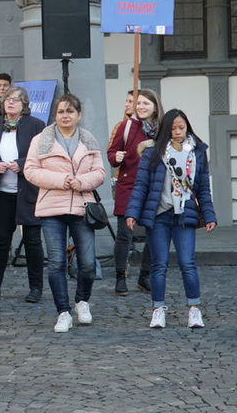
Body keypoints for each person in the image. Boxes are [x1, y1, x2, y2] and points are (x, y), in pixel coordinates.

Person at [125, 109, 217, 329]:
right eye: (173, 128)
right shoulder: (153, 153)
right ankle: (158, 309)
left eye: (181, 127)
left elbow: (203, 188)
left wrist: (209, 214)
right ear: (166, 129)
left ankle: (194, 309)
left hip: (185, 214)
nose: (177, 132)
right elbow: (141, 186)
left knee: (188, 263)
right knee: (159, 265)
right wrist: (132, 212)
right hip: (159, 215)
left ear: (187, 127)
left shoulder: (197, 152)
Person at [24, 94, 106, 333]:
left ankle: (82, 300)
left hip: (82, 206)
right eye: (61, 111)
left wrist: (81, 181)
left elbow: (100, 172)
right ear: (55, 115)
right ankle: (63, 311)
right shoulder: (41, 140)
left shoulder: (88, 139)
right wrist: (61, 180)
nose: (65, 116)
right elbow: (30, 171)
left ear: (78, 115)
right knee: (57, 262)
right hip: (52, 207)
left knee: (88, 264)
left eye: (70, 111)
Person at [0, 85, 45, 303]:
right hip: (1, 193)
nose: (11, 103)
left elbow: (44, 154)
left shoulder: (36, 125)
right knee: (1, 240)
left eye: (16, 99)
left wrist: (22, 164)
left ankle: (36, 288)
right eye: (7, 99)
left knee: (33, 240)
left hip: (28, 191)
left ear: (25, 105)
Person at [107, 89, 164, 295]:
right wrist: (116, 157)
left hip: (153, 187)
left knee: (153, 234)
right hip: (128, 185)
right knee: (124, 235)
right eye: (138, 103)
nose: (140, 107)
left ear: (155, 107)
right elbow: (111, 153)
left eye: (145, 104)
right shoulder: (126, 126)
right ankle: (120, 277)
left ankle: (145, 276)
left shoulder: (162, 129)